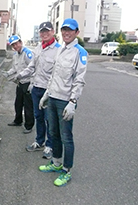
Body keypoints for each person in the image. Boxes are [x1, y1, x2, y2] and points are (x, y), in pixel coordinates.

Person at [38, 18, 88, 187]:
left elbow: (79, 80)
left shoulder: (80, 53)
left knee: (66, 137)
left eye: (70, 30)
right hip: (52, 97)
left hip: (65, 101)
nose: (66, 33)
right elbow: (54, 75)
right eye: (64, 30)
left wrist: (73, 102)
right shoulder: (60, 49)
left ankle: (66, 171)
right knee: (53, 133)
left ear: (76, 33)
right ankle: (56, 163)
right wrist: (46, 94)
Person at [16, 21, 60, 159]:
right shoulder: (38, 48)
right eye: (42, 31)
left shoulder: (59, 50)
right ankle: (39, 141)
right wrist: (20, 74)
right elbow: (32, 67)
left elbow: (57, 73)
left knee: (49, 119)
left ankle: (50, 145)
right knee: (38, 117)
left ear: (53, 31)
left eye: (47, 31)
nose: (44, 33)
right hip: (36, 88)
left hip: (50, 91)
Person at [2, 35, 34, 134]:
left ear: (20, 42)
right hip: (20, 83)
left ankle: (29, 126)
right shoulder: (15, 55)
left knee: (28, 106)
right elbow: (14, 68)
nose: (15, 46)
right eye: (13, 45)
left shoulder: (28, 53)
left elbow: (32, 68)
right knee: (18, 103)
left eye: (16, 44)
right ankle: (18, 120)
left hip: (28, 82)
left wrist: (21, 76)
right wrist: (8, 73)